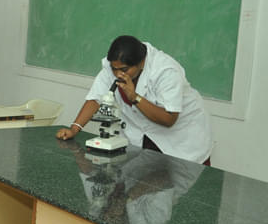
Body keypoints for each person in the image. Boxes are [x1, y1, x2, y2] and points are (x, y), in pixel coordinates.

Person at [56, 35, 213, 165]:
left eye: (123, 70)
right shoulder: (114, 66)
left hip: (181, 141)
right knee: (136, 190)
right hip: (144, 138)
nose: (118, 74)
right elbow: (95, 99)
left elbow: (169, 118)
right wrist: (74, 129)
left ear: (141, 63)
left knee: (176, 195)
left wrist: (135, 97)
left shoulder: (165, 71)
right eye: (114, 69)